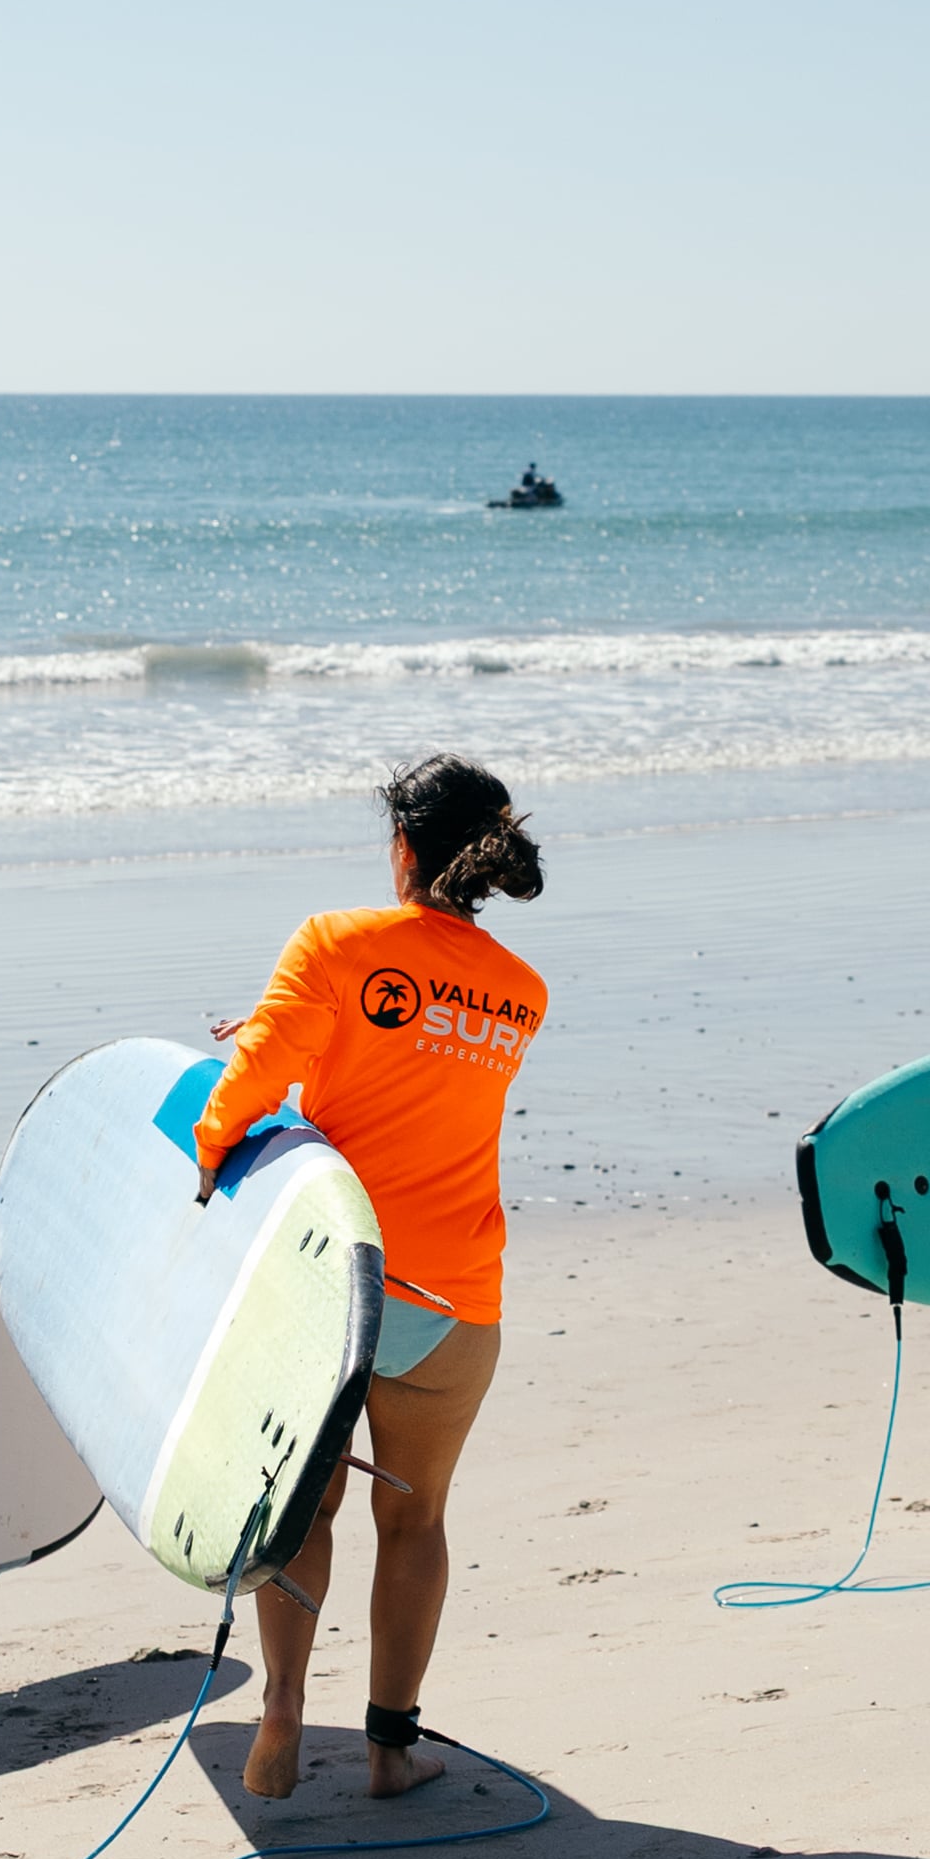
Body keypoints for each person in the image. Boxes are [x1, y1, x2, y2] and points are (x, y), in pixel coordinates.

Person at [191, 756, 551, 1800]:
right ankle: (391, 1749)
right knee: (418, 1516)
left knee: (303, 1511)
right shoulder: (522, 996)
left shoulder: (334, 943)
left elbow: (266, 1084)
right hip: (451, 1298)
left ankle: (281, 1720)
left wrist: (208, 1157)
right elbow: (416, 1076)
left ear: (402, 844)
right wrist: (284, 1034)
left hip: (332, 1282)